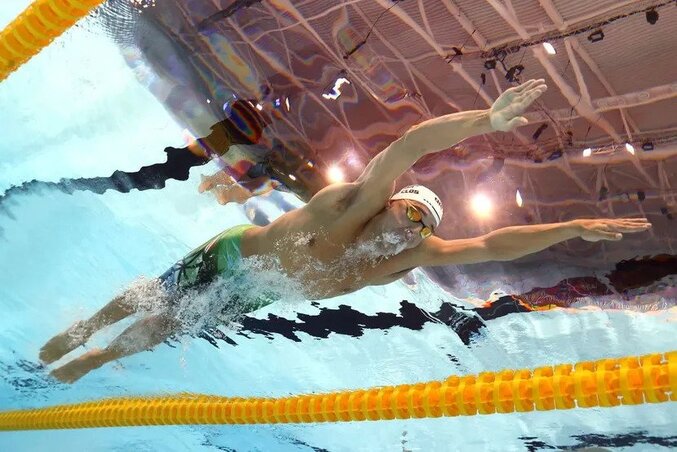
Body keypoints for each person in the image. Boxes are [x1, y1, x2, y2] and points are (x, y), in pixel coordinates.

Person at [39, 79, 652, 382]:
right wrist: (484, 121)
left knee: (169, 326)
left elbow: (494, 244)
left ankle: (97, 358)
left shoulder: (408, 255)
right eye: (411, 212)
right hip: (235, 256)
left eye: (422, 226)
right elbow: (410, 145)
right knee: (158, 295)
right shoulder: (350, 205)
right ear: (391, 204)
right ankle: (86, 327)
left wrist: (571, 225)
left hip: (260, 291)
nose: (412, 228)